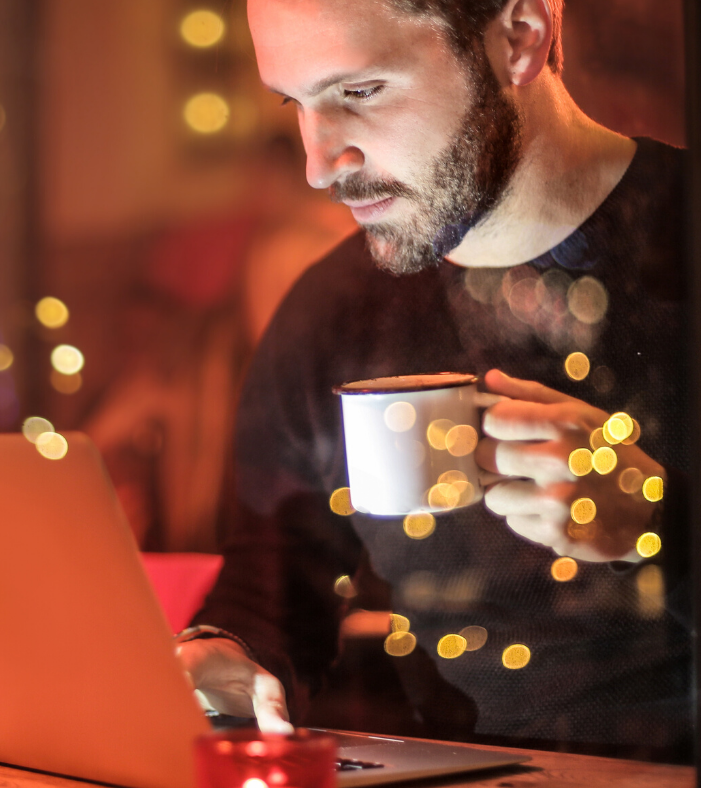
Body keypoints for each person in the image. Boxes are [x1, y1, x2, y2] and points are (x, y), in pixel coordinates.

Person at [176, 0, 692, 760]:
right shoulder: (329, 313)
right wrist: (225, 658)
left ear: (519, 38)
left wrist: (661, 525)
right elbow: (273, 593)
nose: (320, 164)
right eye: (296, 102)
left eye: (360, 92)